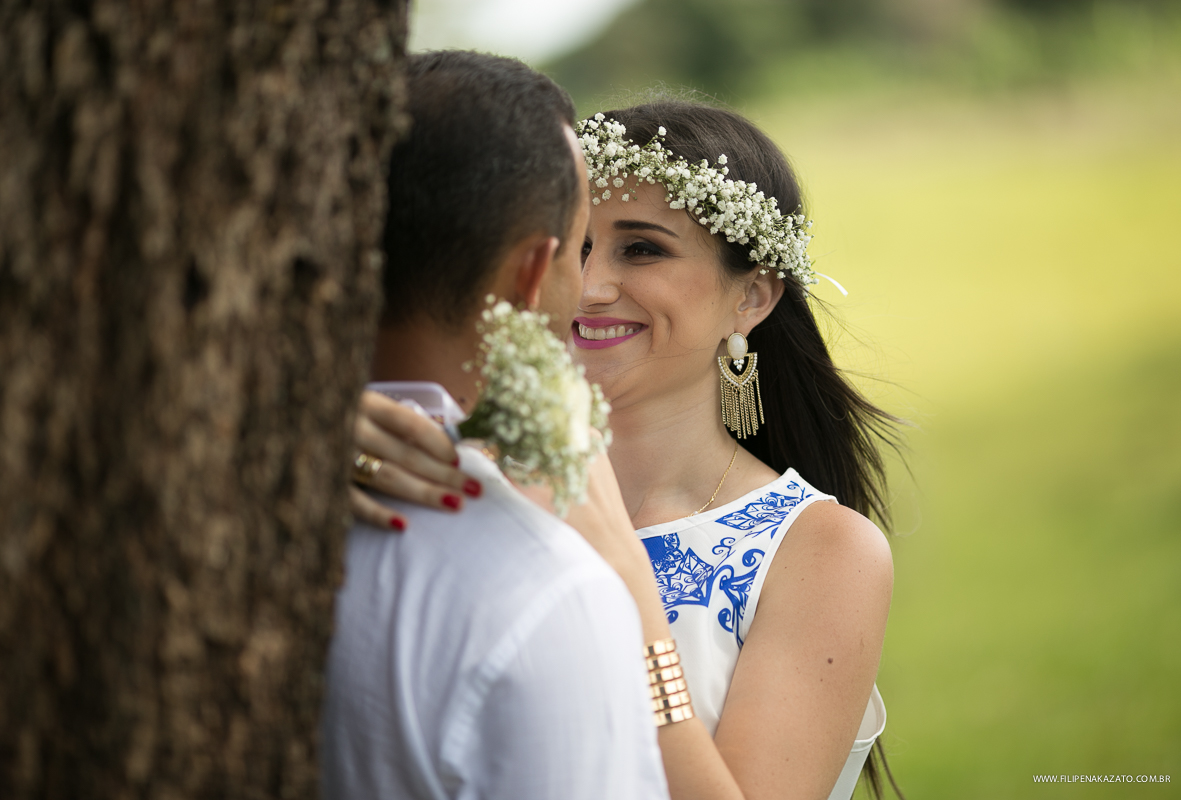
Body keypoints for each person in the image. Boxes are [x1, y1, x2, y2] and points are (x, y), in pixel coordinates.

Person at [355, 97, 904, 800]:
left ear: (753, 298)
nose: (590, 286)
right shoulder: (453, 472)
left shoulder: (822, 551)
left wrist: (625, 577)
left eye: (642, 249)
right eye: (574, 245)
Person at [320, 51, 670, 800]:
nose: (595, 288)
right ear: (532, 271)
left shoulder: (195, 488)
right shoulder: (544, 592)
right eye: (582, 249)